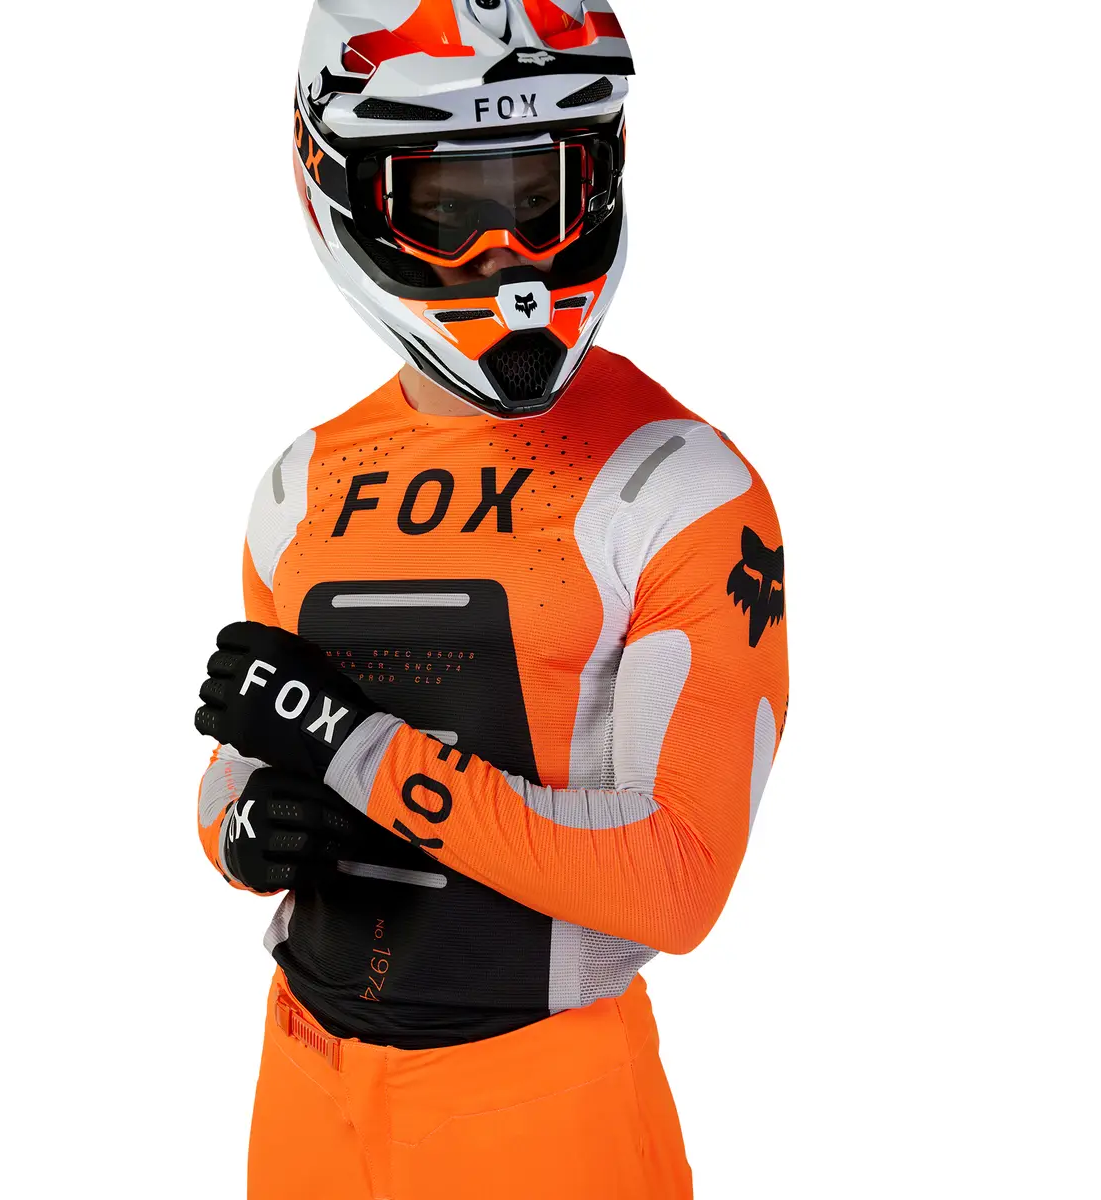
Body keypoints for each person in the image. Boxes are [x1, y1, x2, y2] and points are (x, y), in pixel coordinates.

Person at [194, 3, 788, 1197]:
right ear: (347, 188)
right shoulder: (297, 486)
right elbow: (235, 765)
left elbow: (677, 880)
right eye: (447, 205)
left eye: (537, 192)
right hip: (302, 1079)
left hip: (540, 1104)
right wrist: (242, 830)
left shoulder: (677, 489)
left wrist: (351, 746)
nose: (506, 254)